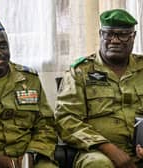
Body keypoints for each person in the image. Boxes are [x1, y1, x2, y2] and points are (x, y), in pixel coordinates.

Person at [55, 9, 143, 168]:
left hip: (140, 149)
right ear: (101, 34)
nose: (114, 41)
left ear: (133, 37)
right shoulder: (80, 72)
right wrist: (109, 149)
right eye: (109, 34)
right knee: (98, 164)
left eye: (122, 34)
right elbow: (66, 119)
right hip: (97, 151)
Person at [0, 10, 58, 168]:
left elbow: (46, 125)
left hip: (29, 157)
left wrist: (31, 155)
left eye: (2, 46)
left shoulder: (29, 79)